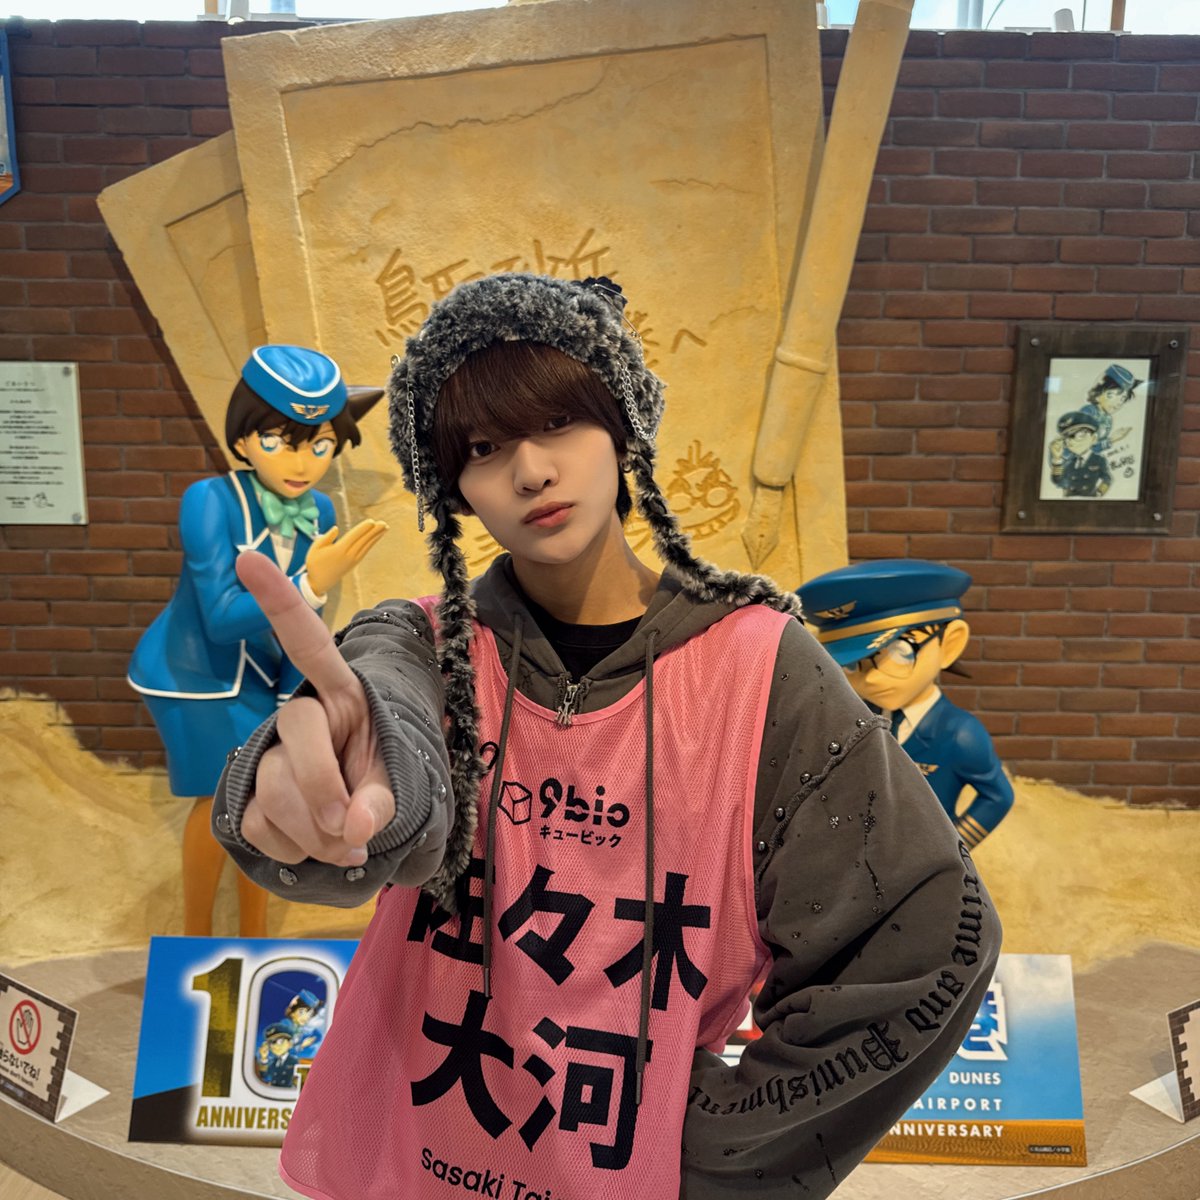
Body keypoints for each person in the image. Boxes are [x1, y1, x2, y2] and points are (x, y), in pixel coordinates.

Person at [212, 274, 1001, 1199]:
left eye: (559, 422)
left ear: (622, 427)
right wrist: (342, 794)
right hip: (426, 1149)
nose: (530, 471)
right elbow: (389, 743)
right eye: (483, 447)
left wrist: (718, 1142)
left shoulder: (759, 666)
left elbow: (924, 932)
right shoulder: (422, 644)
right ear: (454, 488)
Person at [128, 345, 387, 937]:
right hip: (194, 677)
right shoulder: (209, 500)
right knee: (217, 799)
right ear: (243, 440)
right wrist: (308, 583)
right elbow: (220, 617)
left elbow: (310, 620)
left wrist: (297, 696)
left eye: (320, 445)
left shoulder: (320, 510)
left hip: (264, 674)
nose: (302, 462)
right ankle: (195, 940)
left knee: (261, 800)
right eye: (279, 441)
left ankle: (253, 941)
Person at [798, 559, 1014, 849]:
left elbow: (997, 797)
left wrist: (954, 850)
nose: (871, 678)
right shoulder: (856, 720)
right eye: (851, 665)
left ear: (950, 645)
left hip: (925, 858)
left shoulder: (959, 733)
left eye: (900, 654)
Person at [1047, 410, 1111, 499]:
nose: (1071, 442)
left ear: (1094, 438)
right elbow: (1058, 481)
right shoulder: (1070, 461)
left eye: (1080, 435)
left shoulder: (1099, 460)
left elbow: (1107, 479)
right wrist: (1057, 459)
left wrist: (1099, 493)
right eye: (1067, 438)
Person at [1080, 362, 1140, 453]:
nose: (1119, 403)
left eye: (1123, 399)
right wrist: (1112, 439)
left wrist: (1113, 439)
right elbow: (1083, 445)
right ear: (1098, 394)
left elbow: (1096, 449)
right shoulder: (1089, 411)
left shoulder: (1108, 419)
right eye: (1110, 395)